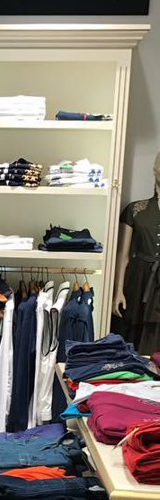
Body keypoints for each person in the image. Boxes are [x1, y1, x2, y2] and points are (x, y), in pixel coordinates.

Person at [112, 151, 160, 355]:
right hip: (138, 280)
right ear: (154, 169)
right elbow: (122, 255)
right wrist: (117, 291)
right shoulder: (135, 210)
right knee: (133, 336)